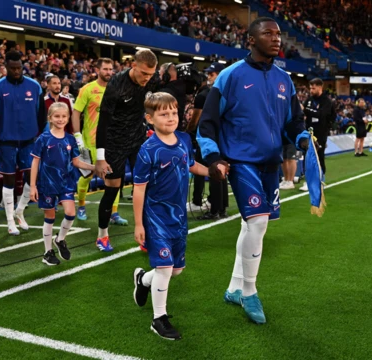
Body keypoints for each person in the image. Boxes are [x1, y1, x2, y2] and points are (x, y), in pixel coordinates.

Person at [197, 17, 310, 324]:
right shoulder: (230, 76)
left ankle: (234, 287)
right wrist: (214, 158)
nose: (276, 39)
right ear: (251, 39)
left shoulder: (284, 80)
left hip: (271, 162)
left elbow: (293, 122)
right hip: (241, 160)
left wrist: (301, 139)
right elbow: (207, 123)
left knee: (252, 227)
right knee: (258, 222)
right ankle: (250, 292)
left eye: (278, 35)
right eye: (268, 34)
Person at [131, 92, 210, 340]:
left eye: (174, 112)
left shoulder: (184, 140)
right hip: (156, 217)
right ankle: (159, 319)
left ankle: (143, 280)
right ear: (150, 118)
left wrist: (213, 171)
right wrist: (138, 223)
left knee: (176, 270)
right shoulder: (148, 150)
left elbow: (190, 165)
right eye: (164, 114)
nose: (170, 117)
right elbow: (139, 189)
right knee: (165, 267)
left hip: (179, 217)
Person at [94, 49, 160, 252]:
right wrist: (100, 157)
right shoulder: (116, 84)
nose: (147, 78)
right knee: (112, 189)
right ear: (133, 66)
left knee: (146, 188)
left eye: (150, 74)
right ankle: (102, 235)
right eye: (143, 74)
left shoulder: (152, 81)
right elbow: (103, 122)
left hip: (138, 140)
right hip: (114, 142)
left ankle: (146, 236)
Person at [0, 50, 47, 236]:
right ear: (5, 68)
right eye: (12, 68)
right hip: (6, 141)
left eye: (19, 67)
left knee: (31, 178)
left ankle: (20, 211)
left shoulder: (35, 86)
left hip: (29, 140)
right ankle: (10, 220)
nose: (16, 71)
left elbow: (42, 115)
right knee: (9, 179)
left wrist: (42, 138)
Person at [30, 103, 95, 266]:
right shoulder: (43, 139)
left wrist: (93, 167)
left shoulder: (70, 139)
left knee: (70, 213)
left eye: (64, 116)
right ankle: (47, 252)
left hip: (66, 182)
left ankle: (60, 240)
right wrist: (32, 186)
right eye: (57, 116)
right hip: (47, 184)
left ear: (68, 118)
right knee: (50, 217)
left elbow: (76, 162)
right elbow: (35, 163)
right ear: (50, 118)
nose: (60, 119)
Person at [71, 58, 124, 221]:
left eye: (111, 69)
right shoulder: (87, 89)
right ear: (97, 70)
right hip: (89, 142)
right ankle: (81, 206)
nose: (109, 72)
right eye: (105, 69)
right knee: (86, 176)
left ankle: (114, 212)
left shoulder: (116, 90)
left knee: (113, 177)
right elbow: (76, 113)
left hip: (111, 143)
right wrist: (77, 135)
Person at [189, 62, 228, 218]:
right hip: (220, 136)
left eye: (212, 74)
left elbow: (199, 119)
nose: (209, 77)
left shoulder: (209, 94)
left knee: (214, 170)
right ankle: (221, 207)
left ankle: (214, 209)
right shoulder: (225, 92)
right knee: (220, 170)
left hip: (210, 137)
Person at [299, 78, 336, 191]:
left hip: (321, 133)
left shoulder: (326, 101)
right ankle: (309, 181)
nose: (311, 90)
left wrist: (306, 110)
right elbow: (304, 113)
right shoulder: (309, 100)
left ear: (320, 87)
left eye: (313, 88)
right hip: (309, 132)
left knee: (319, 157)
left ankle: (320, 181)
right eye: (310, 87)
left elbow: (321, 114)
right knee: (307, 156)